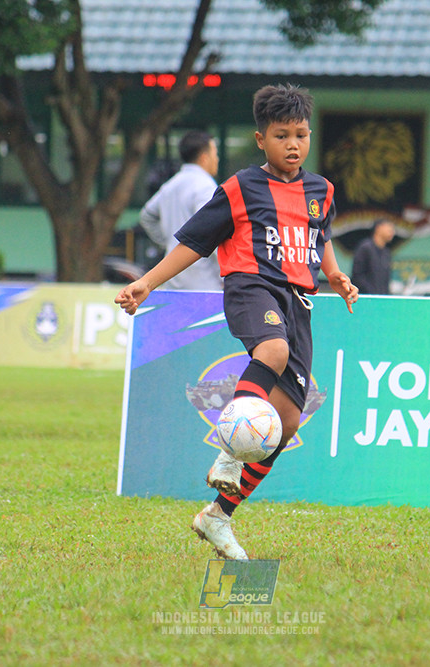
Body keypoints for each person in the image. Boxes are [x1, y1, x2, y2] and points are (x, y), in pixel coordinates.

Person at [115, 84, 358, 560]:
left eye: (301, 135)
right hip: (252, 288)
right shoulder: (240, 187)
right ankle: (230, 448)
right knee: (273, 351)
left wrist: (334, 275)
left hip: (300, 302)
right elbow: (195, 243)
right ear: (260, 139)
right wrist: (147, 282)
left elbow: (320, 236)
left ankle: (217, 516)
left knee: (285, 424)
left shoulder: (320, 191)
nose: (293, 144)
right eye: (282, 135)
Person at [138, 130, 222, 290]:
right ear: (204, 158)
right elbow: (211, 230)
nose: (217, 159)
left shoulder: (170, 185)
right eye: (215, 153)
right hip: (204, 283)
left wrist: (169, 242)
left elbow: (147, 216)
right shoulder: (205, 186)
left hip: (172, 281)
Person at [351, 218, 396, 295]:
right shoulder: (365, 248)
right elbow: (357, 276)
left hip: (382, 299)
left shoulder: (386, 253)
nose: (392, 232)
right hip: (366, 298)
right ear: (378, 228)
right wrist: (371, 292)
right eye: (389, 229)